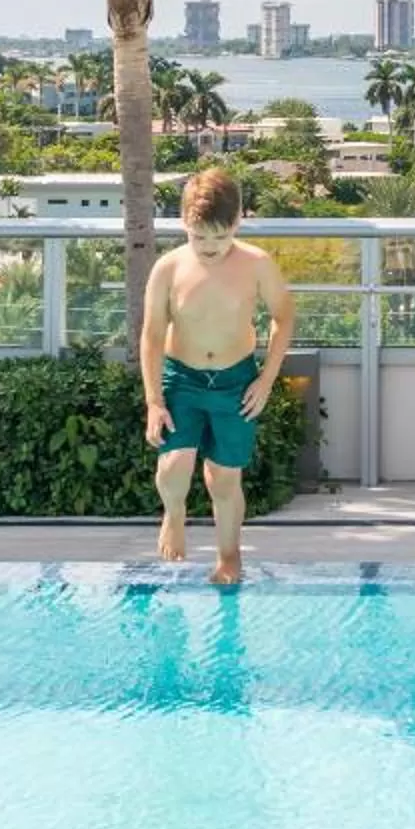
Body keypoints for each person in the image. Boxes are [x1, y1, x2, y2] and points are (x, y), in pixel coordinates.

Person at [140, 166, 295, 584]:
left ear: (239, 221)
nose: (210, 247)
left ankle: (229, 558)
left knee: (223, 479)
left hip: (236, 382)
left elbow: (283, 317)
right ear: (184, 223)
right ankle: (174, 513)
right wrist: (154, 401)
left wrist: (266, 379)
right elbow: (152, 334)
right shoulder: (168, 268)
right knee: (173, 465)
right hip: (182, 379)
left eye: (220, 237)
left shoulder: (256, 264)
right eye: (199, 237)